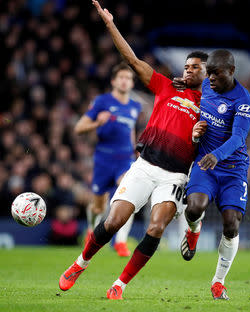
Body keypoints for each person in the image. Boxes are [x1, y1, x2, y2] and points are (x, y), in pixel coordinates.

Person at [58, 0, 208, 300]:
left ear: (207, 73)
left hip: (175, 177)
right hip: (145, 166)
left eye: (196, 68)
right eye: (187, 66)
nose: (189, 70)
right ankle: (80, 263)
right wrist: (110, 24)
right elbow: (131, 58)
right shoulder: (167, 87)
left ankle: (120, 285)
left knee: (155, 229)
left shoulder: (211, 107)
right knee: (113, 221)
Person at [179, 49, 250, 300]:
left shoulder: (244, 100)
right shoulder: (207, 88)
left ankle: (218, 281)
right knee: (193, 208)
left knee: (231, 223)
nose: (210, 78)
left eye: (216, 73)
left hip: (233, 170)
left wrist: (218, 155)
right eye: (208, 73)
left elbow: (238, 138)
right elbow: (192, 89)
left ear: (232, 71)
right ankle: (193, 230)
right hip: (205, 165)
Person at [74, 63, 142, 257]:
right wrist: (97, 122)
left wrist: (135, 150)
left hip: (125, 160)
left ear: (131, 83)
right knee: (98, 206)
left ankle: (120, 242)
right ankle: (90, 228)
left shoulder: (135, 106)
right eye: (121, 77)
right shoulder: (102, 102)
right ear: (113, 81)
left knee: (128, 197)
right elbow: (79, 128)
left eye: (128, 78)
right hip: (103, 159)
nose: (124, 81)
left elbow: (130, 130)